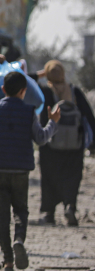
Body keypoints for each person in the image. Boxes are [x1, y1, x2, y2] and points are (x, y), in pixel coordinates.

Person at [0, 71, 60, 271]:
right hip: (21, 169)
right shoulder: (29, 112)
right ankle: (19, 239)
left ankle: (7, 261)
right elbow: (41, 138)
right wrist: (53, 122)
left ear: (3, 89)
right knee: (21, 210)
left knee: (2, 215)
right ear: (24, 91)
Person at [36, 60, 95, 226]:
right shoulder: (75, 91)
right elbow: (89, 117)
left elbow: (40, 117)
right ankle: (70, 206)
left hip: (50, 145)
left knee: (49, 178)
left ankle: (49, 213)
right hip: (74, 146)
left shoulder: (45, 91)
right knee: (72, 177)